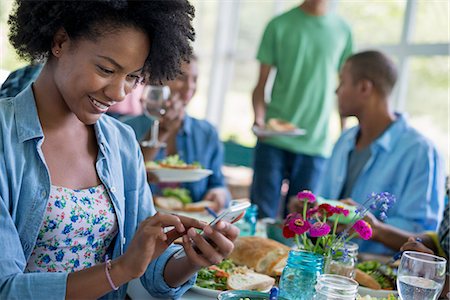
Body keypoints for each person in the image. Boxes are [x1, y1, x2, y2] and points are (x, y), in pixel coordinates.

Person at [0, 1, 239, 299]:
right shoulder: (4, 139)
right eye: (106, 69)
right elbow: (5, 288)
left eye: (132, 78)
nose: (118, 93)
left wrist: (192, 258)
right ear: (60, 42)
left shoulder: (120, 143)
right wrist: (121, 270)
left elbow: (149, 269)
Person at [314, 50, 445, 254]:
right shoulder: (345, 140)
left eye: (342, 82)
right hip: (329, 264)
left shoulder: (420, 151)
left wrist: (375, 229)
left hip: (382, 276)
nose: (336, 91)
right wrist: (313, 209)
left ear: (365, 88)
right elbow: (327, 202)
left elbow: (428, 241)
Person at [250, 0, 353, 219]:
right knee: (261, 216)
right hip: (273, 140)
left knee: (302, 222)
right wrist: (259, 120)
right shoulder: (278, 25)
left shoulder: (343, 31)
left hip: (316, 144)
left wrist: (344, 135)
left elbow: (344, 88)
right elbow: (260, 86)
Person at [124, 56, 230, 211]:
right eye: (181, 78)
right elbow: (125, 179)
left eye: (195, 80)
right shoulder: (126, 128)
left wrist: (220, 193)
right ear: (157, 81)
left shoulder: (208, 133)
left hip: (191, 225)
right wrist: (163, 130)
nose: (190, 87)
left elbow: (218, 184)